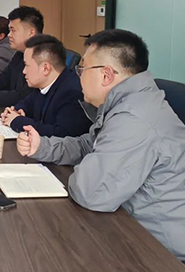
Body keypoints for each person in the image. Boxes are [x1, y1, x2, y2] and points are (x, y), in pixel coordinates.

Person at [17, 29, 185, 262]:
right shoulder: (126, 102)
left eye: (82, 69)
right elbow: (88, 145)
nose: (78, 76)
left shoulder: (134, 117)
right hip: (128, 223)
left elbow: (90, 191)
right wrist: (42, 146)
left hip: (158, 250)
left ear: (106, 75)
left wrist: (85, 169)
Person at [0, 34, 91, 137]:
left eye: (27, 65)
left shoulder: (73, 92)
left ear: (46, 69)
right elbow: (27, 103)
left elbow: (60, 134)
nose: (24, 71)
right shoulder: (43, 84)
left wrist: (17, 121)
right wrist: (15, 111)